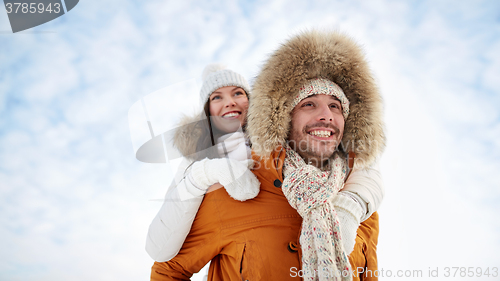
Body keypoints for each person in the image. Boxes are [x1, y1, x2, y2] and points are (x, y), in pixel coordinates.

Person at [150, 29, 384, 280]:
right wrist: (201, 174)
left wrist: (351, 205)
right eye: (309, 103)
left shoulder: (360, 205)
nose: (326, 115)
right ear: (284, 117)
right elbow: (168, 269)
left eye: (335, 106)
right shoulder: (227, 191)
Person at [146, 64, 261, 261]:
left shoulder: (277, 146)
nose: (229, 102)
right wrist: (205, 173)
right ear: (208, 111)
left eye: (238, 93)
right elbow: (158, 248)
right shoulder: (196, 159)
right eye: (217, 97)